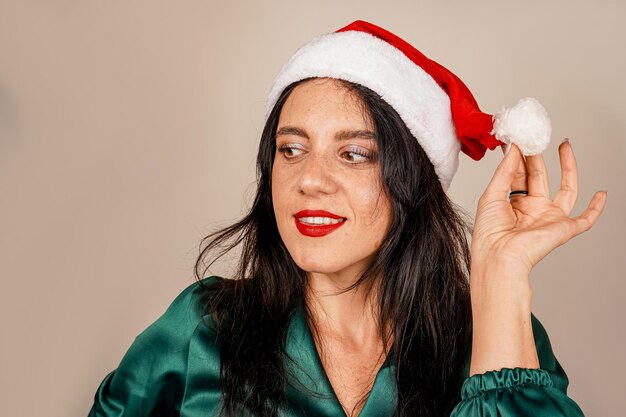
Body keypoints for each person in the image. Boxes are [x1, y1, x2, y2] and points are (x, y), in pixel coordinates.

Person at [88, 20, 607, 417]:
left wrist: (503, 275)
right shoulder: (201, 330)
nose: (309, 179)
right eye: (290, 149)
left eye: (354, 153)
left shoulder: (501, 335)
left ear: (414, 181)